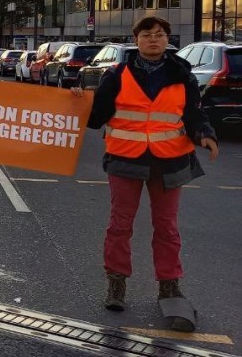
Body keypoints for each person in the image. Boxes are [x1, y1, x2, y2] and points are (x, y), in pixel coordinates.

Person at [71, 16, 218, 316]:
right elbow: (97, 117)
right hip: (126, 160)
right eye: (148, 34)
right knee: (120, 225)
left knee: (167, 227)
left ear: (168, 40)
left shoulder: (183, 75)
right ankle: (117, 282)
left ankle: (169, 284)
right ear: (136, 39)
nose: (154, 39)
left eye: (160, 34)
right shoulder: (117, 75)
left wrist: (205, 135)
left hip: (170, 162)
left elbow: (193, 115)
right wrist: (78, 102)